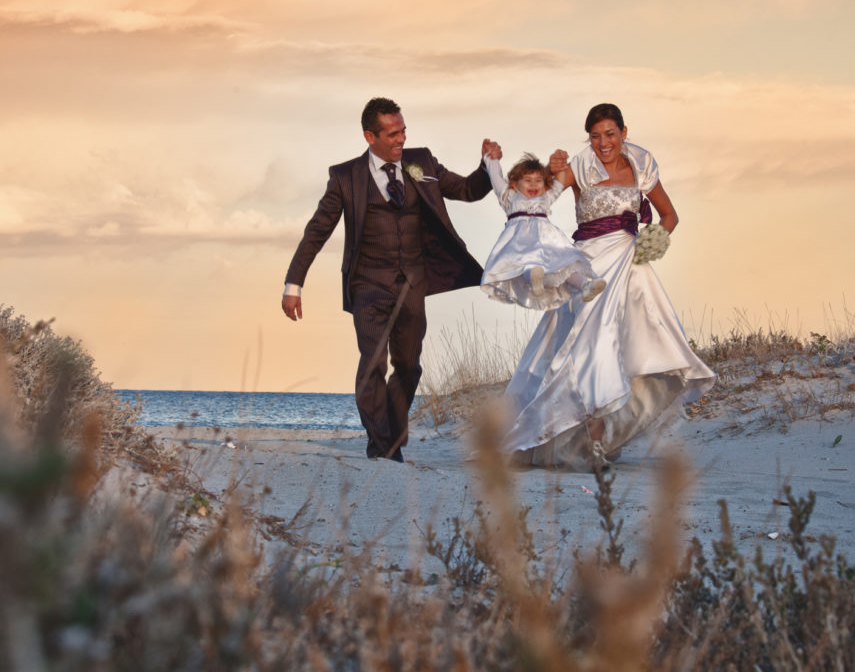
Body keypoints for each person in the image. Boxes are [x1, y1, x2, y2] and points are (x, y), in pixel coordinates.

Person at [282, 97, 499, 462]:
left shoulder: (421, 162)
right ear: (370, 136)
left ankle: (390, 439)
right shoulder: (345, 177)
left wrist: (487, 165)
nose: (400, 139)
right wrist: (294, 284)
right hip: (368, 284)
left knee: (410, 366)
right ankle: (383, 447)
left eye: (403, 131)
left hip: (413, 284)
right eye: (392, 133)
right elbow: (317, 231)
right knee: (373, 364)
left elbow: (466, 190)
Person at [501, 103, 715, 469]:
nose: (603, 143)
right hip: (589, 272)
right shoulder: (579, 167)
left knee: (628, 350)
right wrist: (546, 172)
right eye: (595, 136)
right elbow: (537, 199)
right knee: (588, 350)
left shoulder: (641, 167)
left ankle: (602, 439)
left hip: (631, 269)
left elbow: (669, 215)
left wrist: (653, 243)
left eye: (610, 134)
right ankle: (590, 445)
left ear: (624, 133)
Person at [480, 150, 606, 310]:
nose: (533, 184)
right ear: (514, 184)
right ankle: (535, 281)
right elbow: (496, 178)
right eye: (527, 180)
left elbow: (559, 184)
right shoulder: (510, 197)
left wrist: (561, 166)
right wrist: (491, 159)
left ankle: (585, 285)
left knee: (566, 265)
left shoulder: (544, 198)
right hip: (521, 242)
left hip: (547, 242)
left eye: (538, 180)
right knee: (525, 264)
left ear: (544, 184)